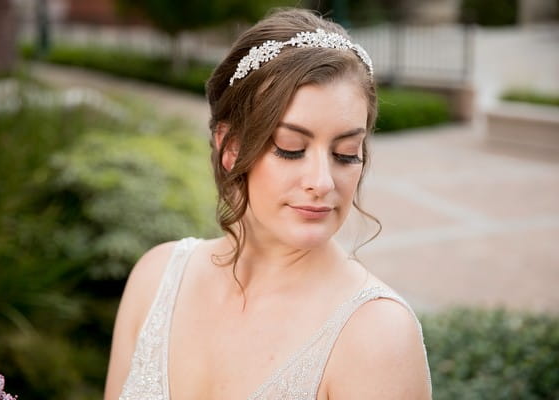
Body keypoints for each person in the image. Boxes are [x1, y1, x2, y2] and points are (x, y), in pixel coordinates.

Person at [104, 8, 431, 400]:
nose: (322, 183)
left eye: (346, 153)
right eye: (291, 149)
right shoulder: (155, 279)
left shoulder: (377, 335)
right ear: (231, 147)